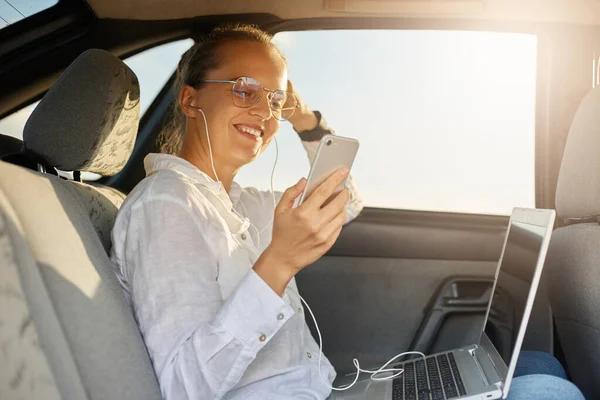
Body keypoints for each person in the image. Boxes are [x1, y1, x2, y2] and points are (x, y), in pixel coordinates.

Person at [110, 24, 584, 400]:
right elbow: (179, 387)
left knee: (536, 364)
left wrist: (304, 120)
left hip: (323, 390)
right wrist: (278, 263)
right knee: (549, 392)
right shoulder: (166, 206)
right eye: (245, 89)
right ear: (191, 99)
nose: (263, 111)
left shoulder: (243, 201)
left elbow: (349, 201)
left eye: (274, 99)